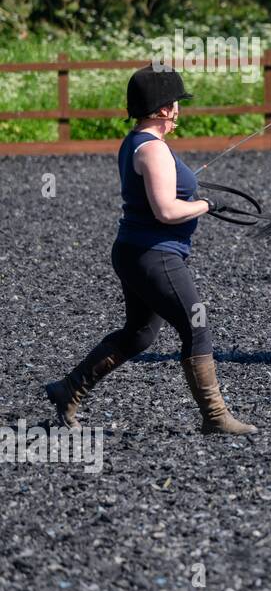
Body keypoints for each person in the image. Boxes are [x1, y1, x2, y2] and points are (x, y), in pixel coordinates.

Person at [43, 65, 256, 435]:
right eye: (176, 104)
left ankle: (68, 389)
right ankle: (216, 417)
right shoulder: (154, 149)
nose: (179, 110)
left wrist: (192, 193)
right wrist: (207, 204)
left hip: (136, 252)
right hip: (155, 255)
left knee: (139, 334)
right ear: (163, 109)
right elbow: (167, 211)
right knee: (196, 326)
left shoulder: (135, 142)